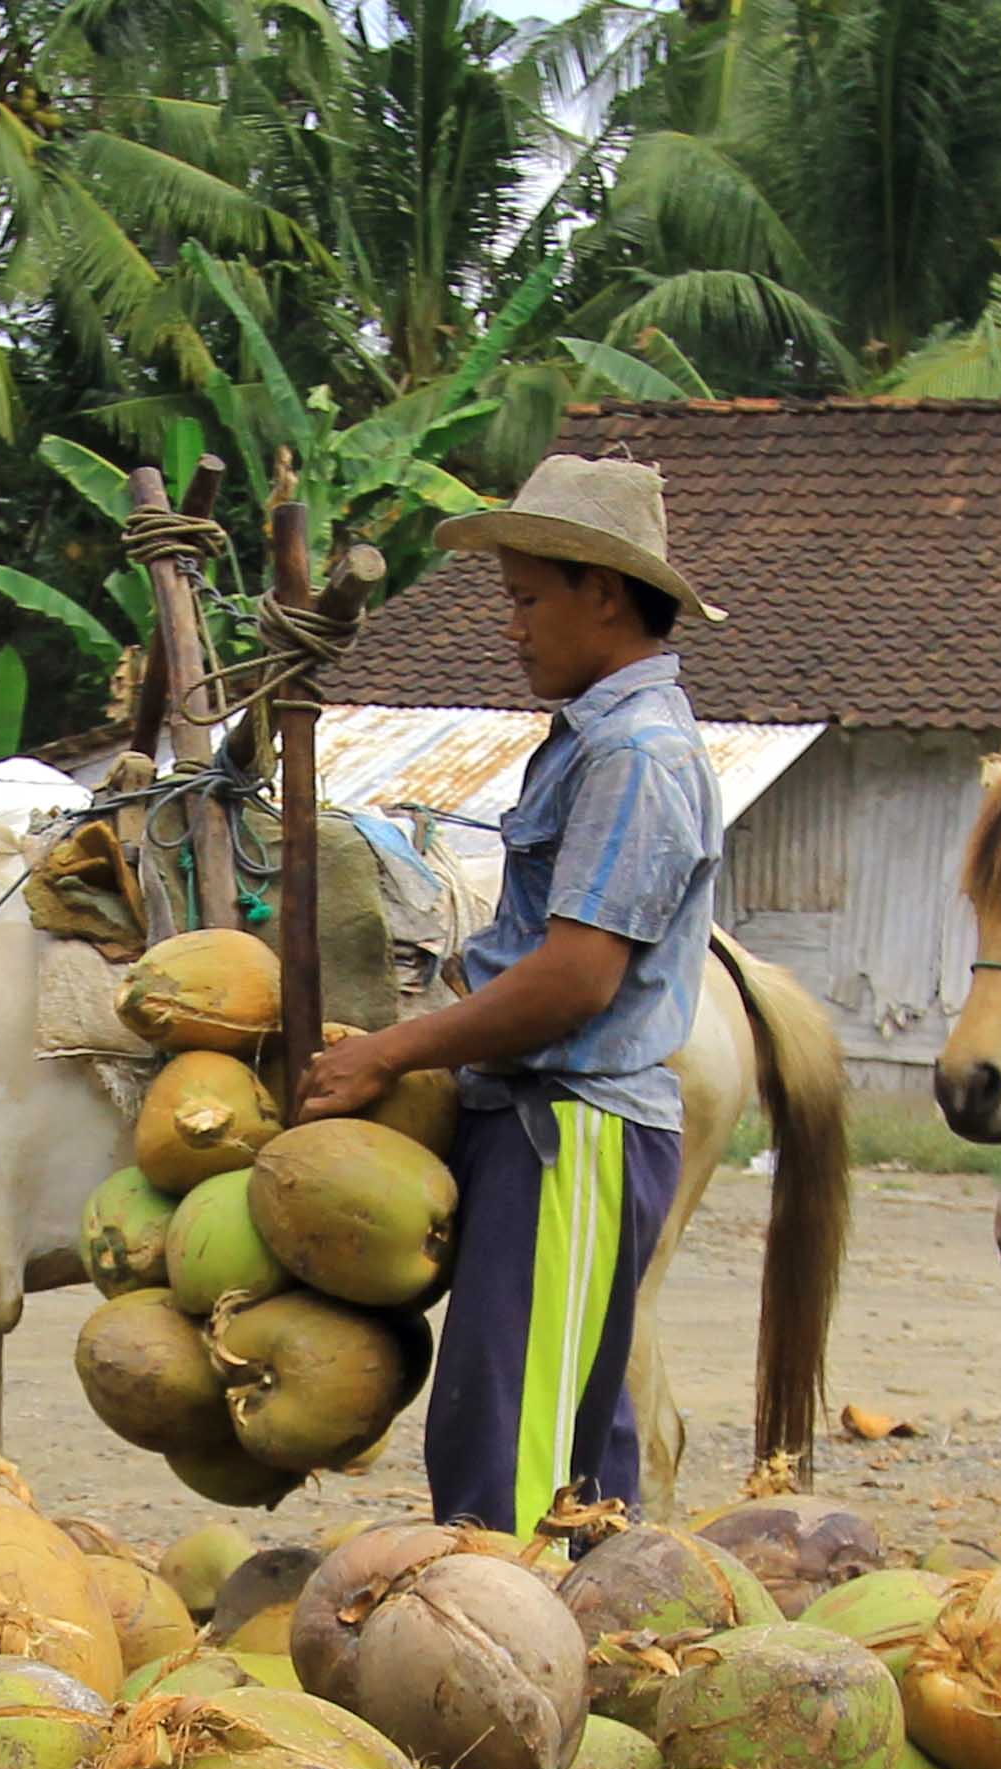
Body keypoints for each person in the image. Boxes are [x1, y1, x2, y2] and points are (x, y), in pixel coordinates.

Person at [297, 455, 722, 1537]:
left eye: (529, 600)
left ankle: (515, 1674)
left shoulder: (635, 754)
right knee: (532, 1431)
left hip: (571, 1131)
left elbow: (576, 979)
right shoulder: (589, 742)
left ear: (606, 594)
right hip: (534, 1132)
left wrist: (395, 1054)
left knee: (522, 1468)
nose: (514, 627)